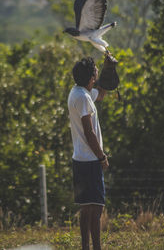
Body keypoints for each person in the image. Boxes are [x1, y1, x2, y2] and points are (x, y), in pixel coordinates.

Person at [68, 57, 109, 250]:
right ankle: (96, 248)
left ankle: (85, 247)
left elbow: (100, 95)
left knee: (86, 208)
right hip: (91, 159)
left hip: (79, 158)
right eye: (95, 71)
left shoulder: (78, 92)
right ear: (91, 76)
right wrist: (101, 156)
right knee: (97, 208)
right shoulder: (83, 97)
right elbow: (89, 131)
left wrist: (107, 69)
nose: (97, 72)